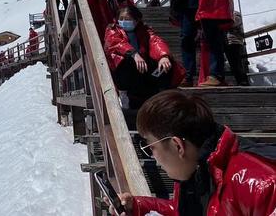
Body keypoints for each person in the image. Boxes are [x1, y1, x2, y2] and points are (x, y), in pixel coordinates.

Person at [110, 90, 276, 216]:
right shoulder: (195, 169)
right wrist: (137, 206)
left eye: (151, 147)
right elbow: (183, 210)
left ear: (177, 146)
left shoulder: (261, 185)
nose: (154, 157)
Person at [104, 6, 185, 108]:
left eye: (128, 19)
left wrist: (163, 56)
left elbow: (155, 41)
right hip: (124, 71)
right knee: (126, 62)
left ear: (137, 20)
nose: (124, 22)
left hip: (143, 68)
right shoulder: (113, 30)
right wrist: (133, 54)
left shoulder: (144, 30)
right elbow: (115, 43)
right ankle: (123, 95)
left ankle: (161, 94)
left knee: (165, 66)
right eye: (121, 19)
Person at [225, 11, 250, 86]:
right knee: (233, 64)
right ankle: (240, 80)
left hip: (235, 42)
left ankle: (243, 80)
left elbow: (232, 23)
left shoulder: (236, 14)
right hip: (229, 42)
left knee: (237, 63)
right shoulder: (230, 14)